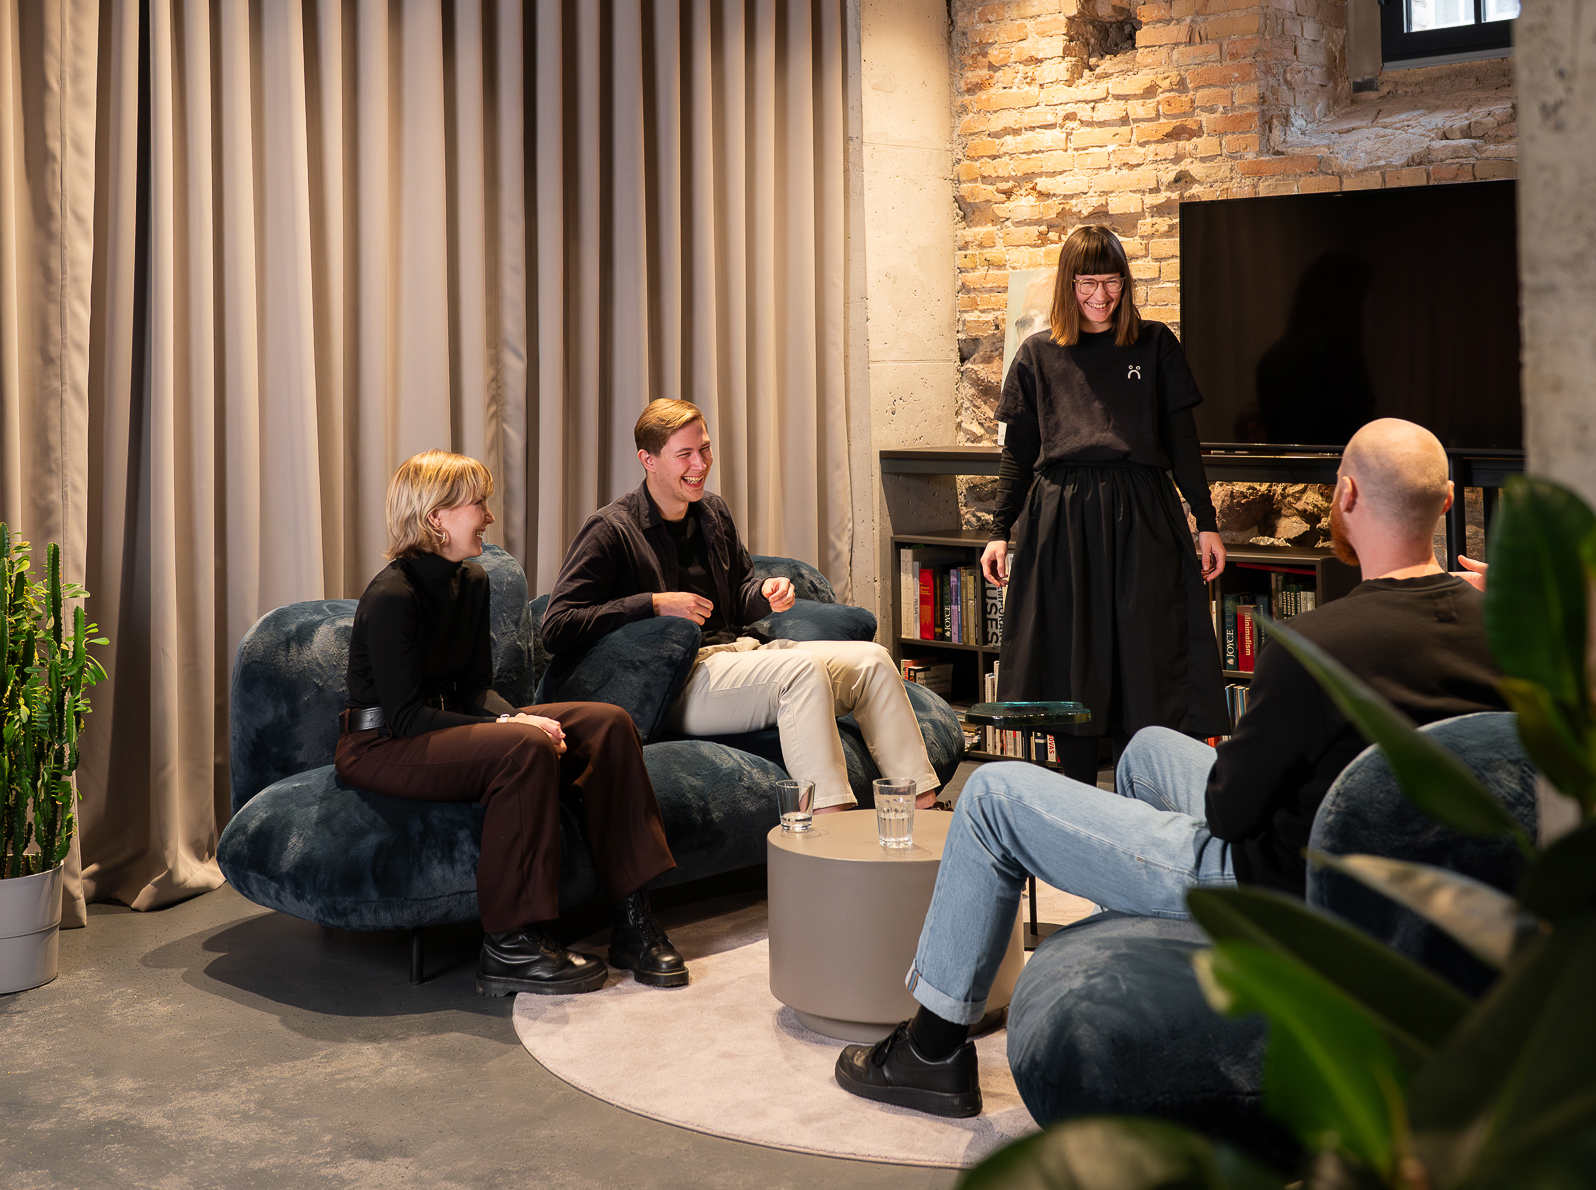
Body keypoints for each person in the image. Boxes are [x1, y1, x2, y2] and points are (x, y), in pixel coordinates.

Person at [836, 418, 1508, 1118]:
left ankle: (930, 1052)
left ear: (1346, 495)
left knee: (991, 795)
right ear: (1448, 502)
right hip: (1412, 885)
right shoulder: (1508, 633)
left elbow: (1231, 814)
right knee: (1150, 747)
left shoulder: (1316, 646)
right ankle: (1134, 938)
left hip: (1282, 889)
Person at [338, 450, 686, 997]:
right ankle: (510, 945)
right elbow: (404, 716)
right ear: (435, 517)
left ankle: (631, 919)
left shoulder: (472, 581)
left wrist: (516, 716)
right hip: (381, 743)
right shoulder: (392, 596)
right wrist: (514, 728)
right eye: (478, 504)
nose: (489, 516)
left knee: (609, 725)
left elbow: (476, 688)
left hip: (442, 724)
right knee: (522, 748)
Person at [541, 399, 941, 813]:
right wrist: (653, 605)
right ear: (649, 460)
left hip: (738, 657)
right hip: (673, 680)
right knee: (801, 670)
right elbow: (557, 626)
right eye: (684, 454)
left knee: (874, 660)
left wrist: (765, 592)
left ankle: (924, 811)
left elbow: (738, 595)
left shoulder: (712, 512)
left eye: (705, 449)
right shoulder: (611, 529)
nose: (700, 464)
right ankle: (827, 826)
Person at [984, 226, 1229, 780]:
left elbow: (1183, 442)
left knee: (1148, 659)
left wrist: (1206, 522)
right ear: (1068, 285)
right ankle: (1077, 804)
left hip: (1144, 514)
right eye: (1087, 283)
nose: (1100, 295)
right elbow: (1018, 452)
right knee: (1071, 661)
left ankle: (1142, 801)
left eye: (1111, 281)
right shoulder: (1037, 354)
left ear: (1126, 282)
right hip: (1062, 520)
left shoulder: (1155, 343)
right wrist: (999, 530)